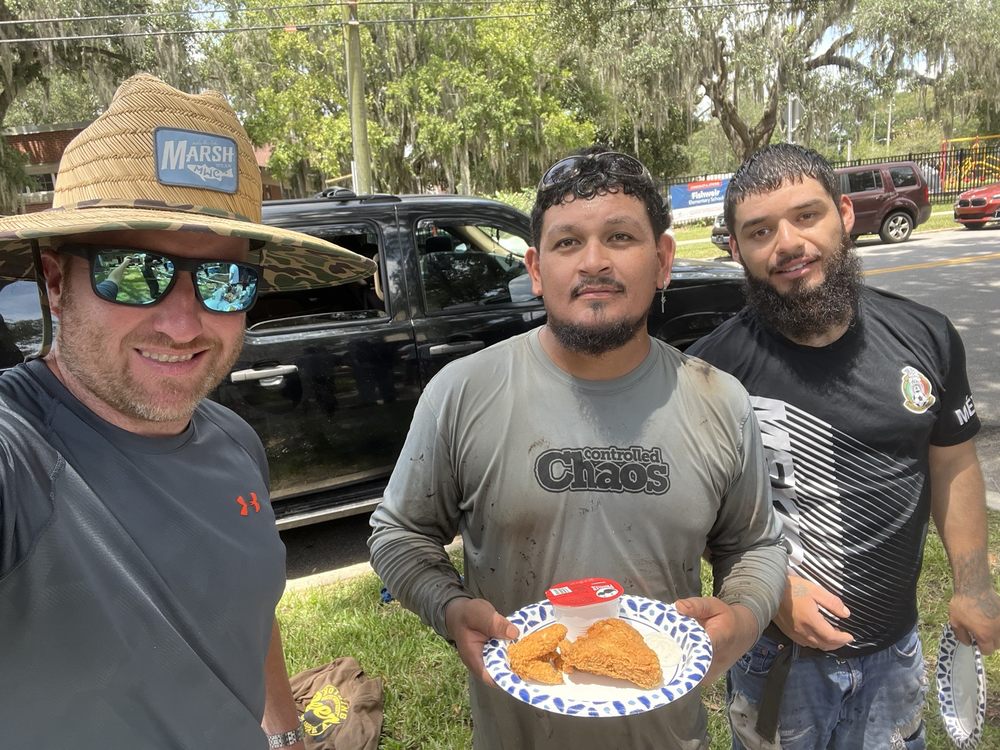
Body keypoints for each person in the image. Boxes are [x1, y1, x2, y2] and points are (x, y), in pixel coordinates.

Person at [369, 146, 788, 749]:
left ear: (663, 259)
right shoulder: (462, 392)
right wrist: (450, 606)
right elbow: (398, 533)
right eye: (568, 243)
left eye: (620, 237)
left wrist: (744, 616)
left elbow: (756, 544)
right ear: (536, 269)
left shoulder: (719, 401)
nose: (594, 262)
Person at [0, 74, 374, 748]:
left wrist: (283, 733)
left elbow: (247, 611)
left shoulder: (234, 442)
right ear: (57, 282)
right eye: (133, 272)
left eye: (223, 281)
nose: (182, 324)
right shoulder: (19, 457)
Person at [687, 142, 1000, 749]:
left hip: (895, 655)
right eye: (759, 231)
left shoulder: (927, 337)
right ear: (737, 249)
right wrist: (770, 590)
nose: (787, 243)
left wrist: (972, 585)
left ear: (845, 216)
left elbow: (954, 463)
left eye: (806, 216)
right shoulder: (709, 371)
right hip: (774, 662)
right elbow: (696, 513)